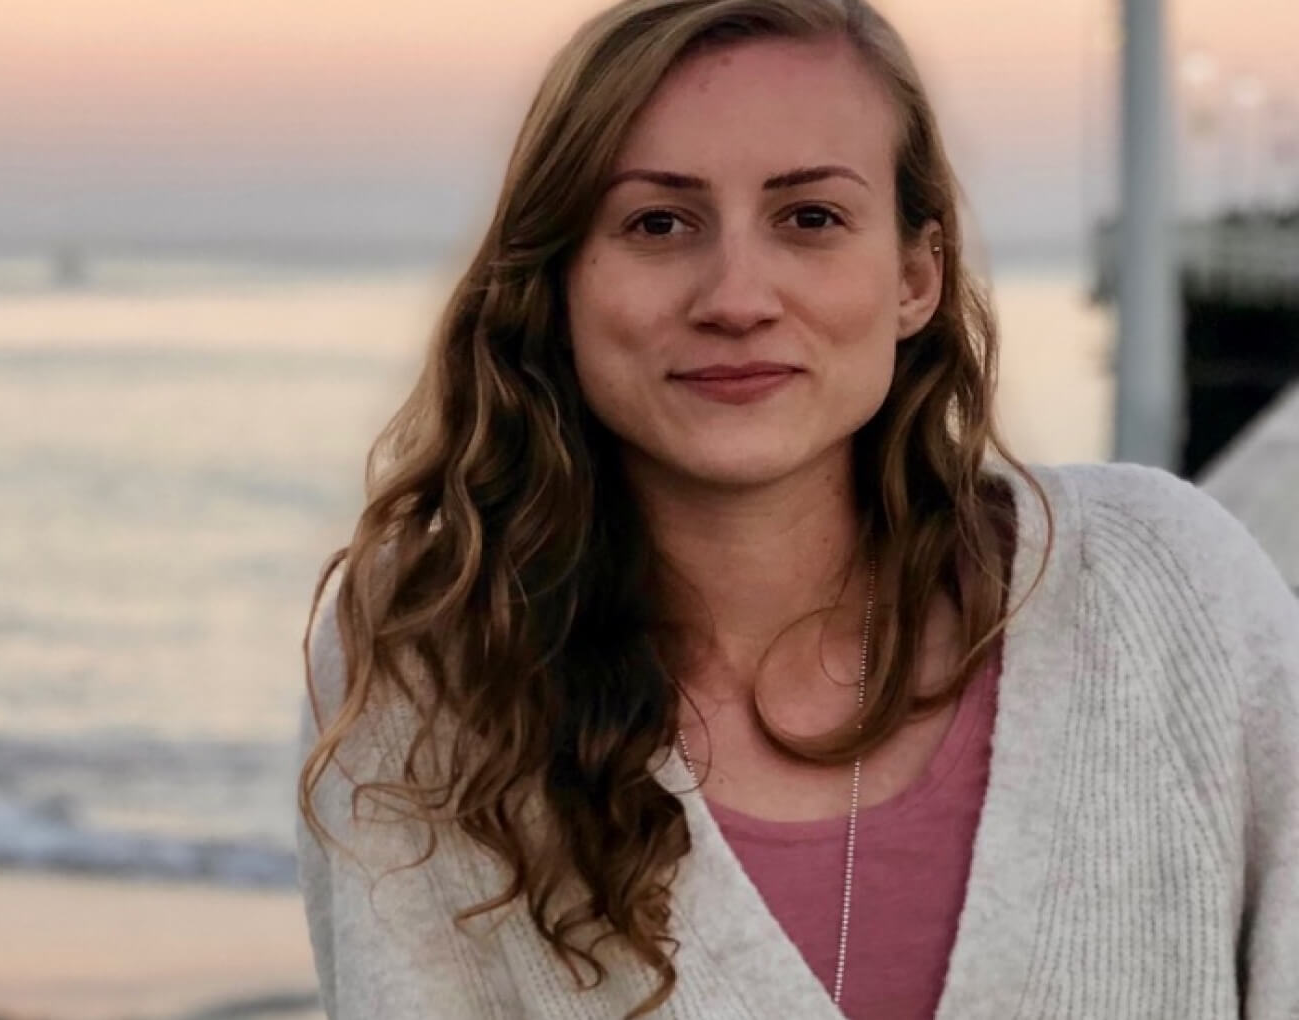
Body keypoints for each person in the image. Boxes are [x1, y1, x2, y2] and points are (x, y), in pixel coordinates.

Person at [293, 0, 1299, 1017]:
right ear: (557, 282)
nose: (735, 296)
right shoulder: (432, 660)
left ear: (914, 277)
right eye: (656, 223)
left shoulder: (1164, 589)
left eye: (808, 218)